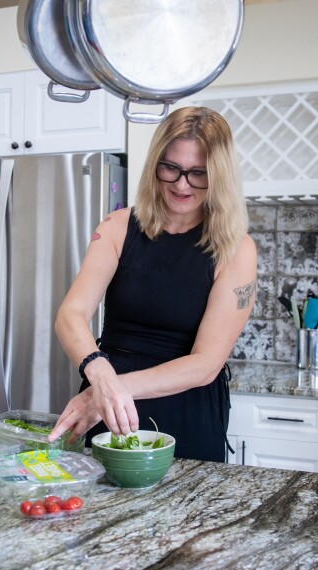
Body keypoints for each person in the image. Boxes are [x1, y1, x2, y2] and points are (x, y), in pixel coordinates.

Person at [47, 106, 258, 462]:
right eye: (171, 168)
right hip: (109, 412)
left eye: (198, 173)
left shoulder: (236, 249)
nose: (181, 184)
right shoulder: (116, 226)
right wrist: (100, 376)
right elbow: (71, 314)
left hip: (184, 411)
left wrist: (108, 391)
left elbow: (205, 364)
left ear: (219, 176)